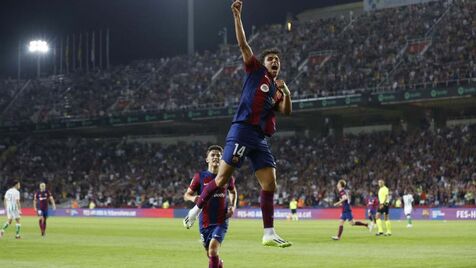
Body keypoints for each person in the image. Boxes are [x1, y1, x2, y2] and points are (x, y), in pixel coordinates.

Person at [183, 0, 292, 248]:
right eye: (271, 59)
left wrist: (286, 91)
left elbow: (286, 111)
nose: (274, 62)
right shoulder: (255, 71)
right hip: (242, 130)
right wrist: (237, 16)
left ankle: (268, 233)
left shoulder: (276, 90)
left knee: (270, 183)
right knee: (221, 180)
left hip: (259, 138)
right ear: (264, 63)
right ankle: (195, 211)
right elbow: (243, 44)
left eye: (277, 60)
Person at [184, 145, 237, 268]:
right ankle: (219, 264)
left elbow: (233, 191)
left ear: (222, 159)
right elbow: (187, 195)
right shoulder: (200, 176)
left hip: (221, 220)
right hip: (205, 222)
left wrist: (232, 206)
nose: (215, 157)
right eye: (212, 155)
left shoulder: (227, 176)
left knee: (213, 250)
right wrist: (193, 198)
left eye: (218, 155)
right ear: (207, 159)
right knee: (210, 254)